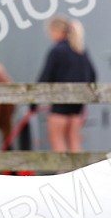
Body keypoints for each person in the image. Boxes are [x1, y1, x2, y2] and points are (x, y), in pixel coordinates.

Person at [36, 16, 96, 153]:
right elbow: (92, 75)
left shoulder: (56, 51)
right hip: (78, 106)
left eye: (50, 31)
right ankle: (79, 173)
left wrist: (33, 101)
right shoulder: (80, 50)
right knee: (74, 139)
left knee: (56, 138)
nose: (50, 35)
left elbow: (45, 77)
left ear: (57, 31)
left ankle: (63, 172)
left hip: (60, 103)